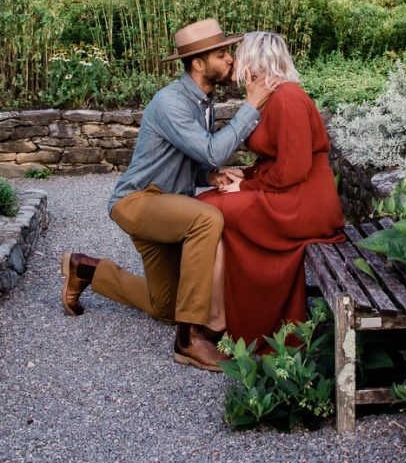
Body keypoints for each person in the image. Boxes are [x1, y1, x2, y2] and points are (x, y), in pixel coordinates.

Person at [60, 18, 272, 372]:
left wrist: (210, 175)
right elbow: (211, 150)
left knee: (167, 308)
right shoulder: (171, 101)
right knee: (207, 218)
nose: (231, 60)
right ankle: (189, 340)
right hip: (139, 202)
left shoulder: (202, 101)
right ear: (198, 63)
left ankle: (85, 269)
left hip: (165, 206)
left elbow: (193, 159)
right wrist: (251, 107)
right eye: (222, 54)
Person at [199, 31, 345, 349]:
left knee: (213, 209)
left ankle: (221, 318)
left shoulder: (288, 98)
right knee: (208, 203)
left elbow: (293, 169)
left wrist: (248, 185)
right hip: (289, 192)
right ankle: (217, 310)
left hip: (304, 202)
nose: (234, 62)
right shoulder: (271, 98)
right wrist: (246, 173)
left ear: (254, 62)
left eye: (240, 56)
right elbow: (277, 159)